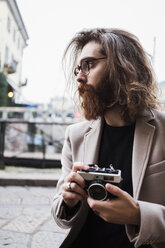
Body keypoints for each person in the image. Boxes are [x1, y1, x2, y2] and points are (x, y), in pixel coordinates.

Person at [51, 28, 165, 248]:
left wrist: (139, 215)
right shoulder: (75, 135)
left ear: (123, 65)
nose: (79, 77)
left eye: (89, 65)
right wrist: (68, 200)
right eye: (78, 69)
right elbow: (60, 214)